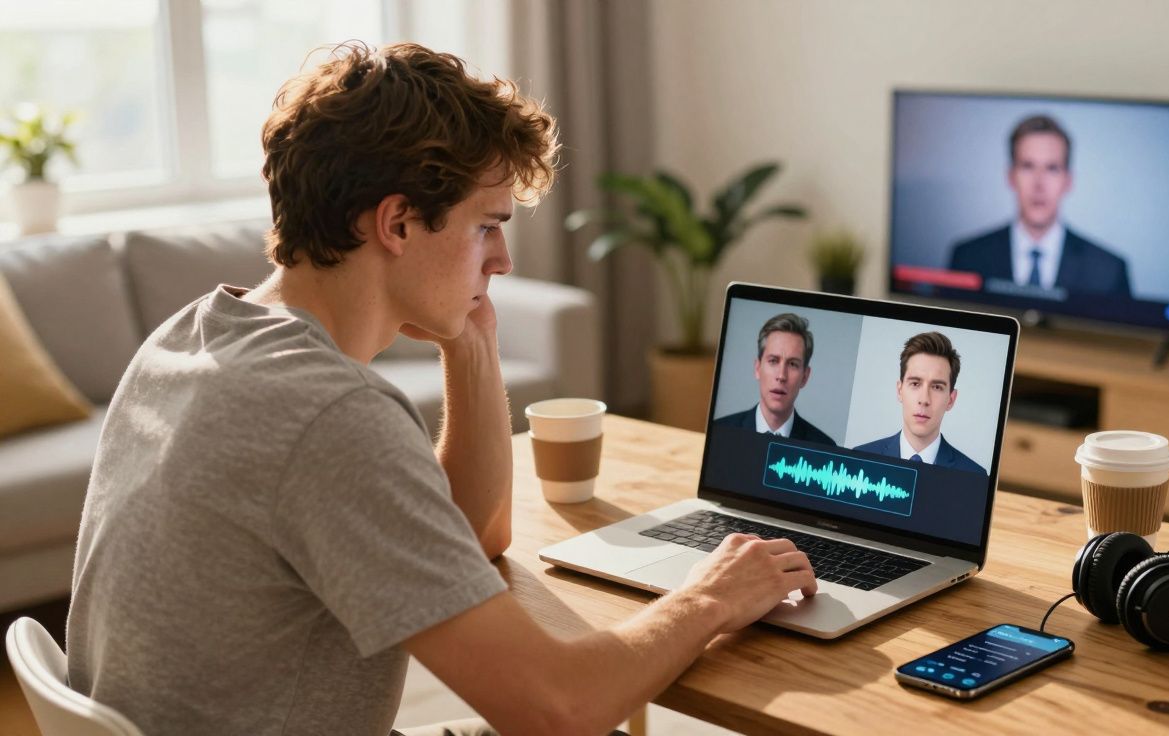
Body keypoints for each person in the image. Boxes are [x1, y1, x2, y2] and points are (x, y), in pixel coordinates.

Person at [65, 42, 817, 736]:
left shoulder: (191, 335)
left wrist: (472, 339)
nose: (505, 262)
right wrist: (710, 597)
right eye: (488, 226)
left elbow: (470, 535)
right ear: (397, 222)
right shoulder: (329, 415)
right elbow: (558, 706)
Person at [949, 114, 1132, 297]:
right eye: (1028, 166)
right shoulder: (967, 258)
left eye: (1052, 168)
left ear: (1068, 181)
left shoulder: (1108, 271)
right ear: (1011, 177)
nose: (1039, 184)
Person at [853, 331, 985, 475]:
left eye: (936, 387)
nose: (924, 400)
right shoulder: (859, 459)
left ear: (951, 400)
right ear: (900, 391)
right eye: (915, 383)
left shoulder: (974, 475)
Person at [715, 313, 836, 445]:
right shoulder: (720, 432)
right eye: (773, 361)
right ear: (757, 368)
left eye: (792, 364)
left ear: (805, 377)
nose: (781, 376)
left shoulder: (824, 446)